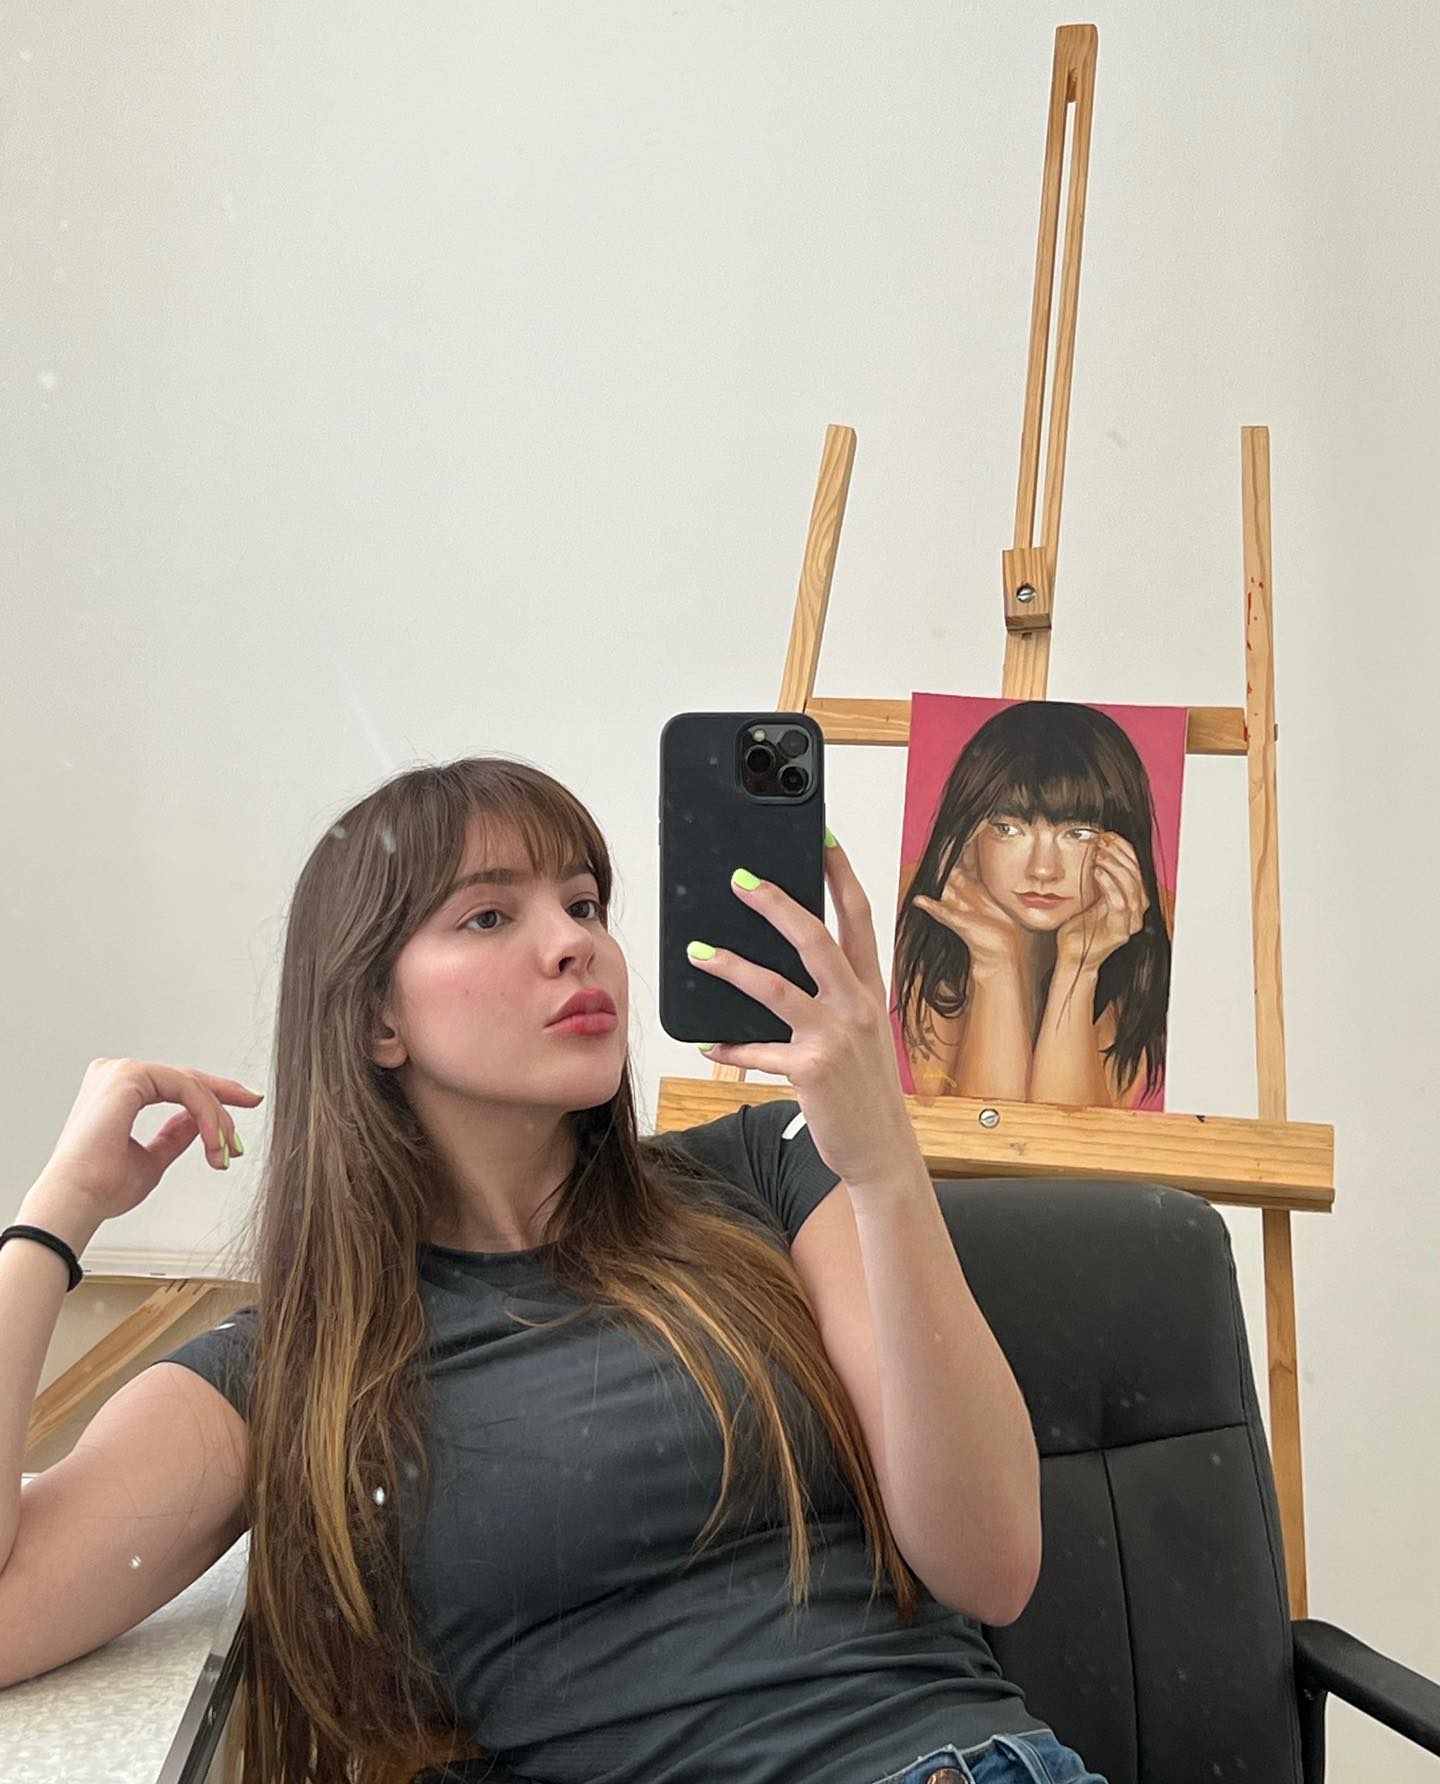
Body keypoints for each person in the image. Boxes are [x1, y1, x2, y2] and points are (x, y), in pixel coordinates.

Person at [0, 756, 1109, 1784]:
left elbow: (990, 1565)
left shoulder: (773, 1168)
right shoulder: (290, 1369)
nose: (574, 944)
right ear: (378, 1018)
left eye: (583, 904)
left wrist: (884, 1165)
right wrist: (58, 1214)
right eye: (490, 915)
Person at [892, 701, 1174, 1113]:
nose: (1043, 869)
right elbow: (983, 1135)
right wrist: (993, 963)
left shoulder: (1152, 930)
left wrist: (1080, 966)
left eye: (1078, 833)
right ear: (967, 838)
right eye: (1008, 829)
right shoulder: (917, 910)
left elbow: (1072, 1140)